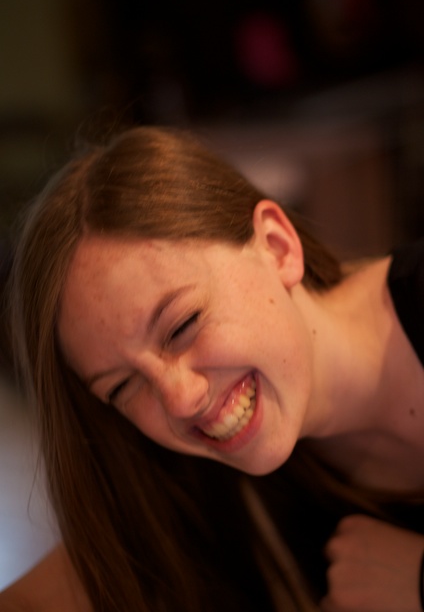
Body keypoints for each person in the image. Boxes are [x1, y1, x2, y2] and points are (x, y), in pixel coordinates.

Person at [1, 125, 423, 612]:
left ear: (277, 246)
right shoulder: (191, 480)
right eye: (123, 386)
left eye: (182, 325)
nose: (180, 400)